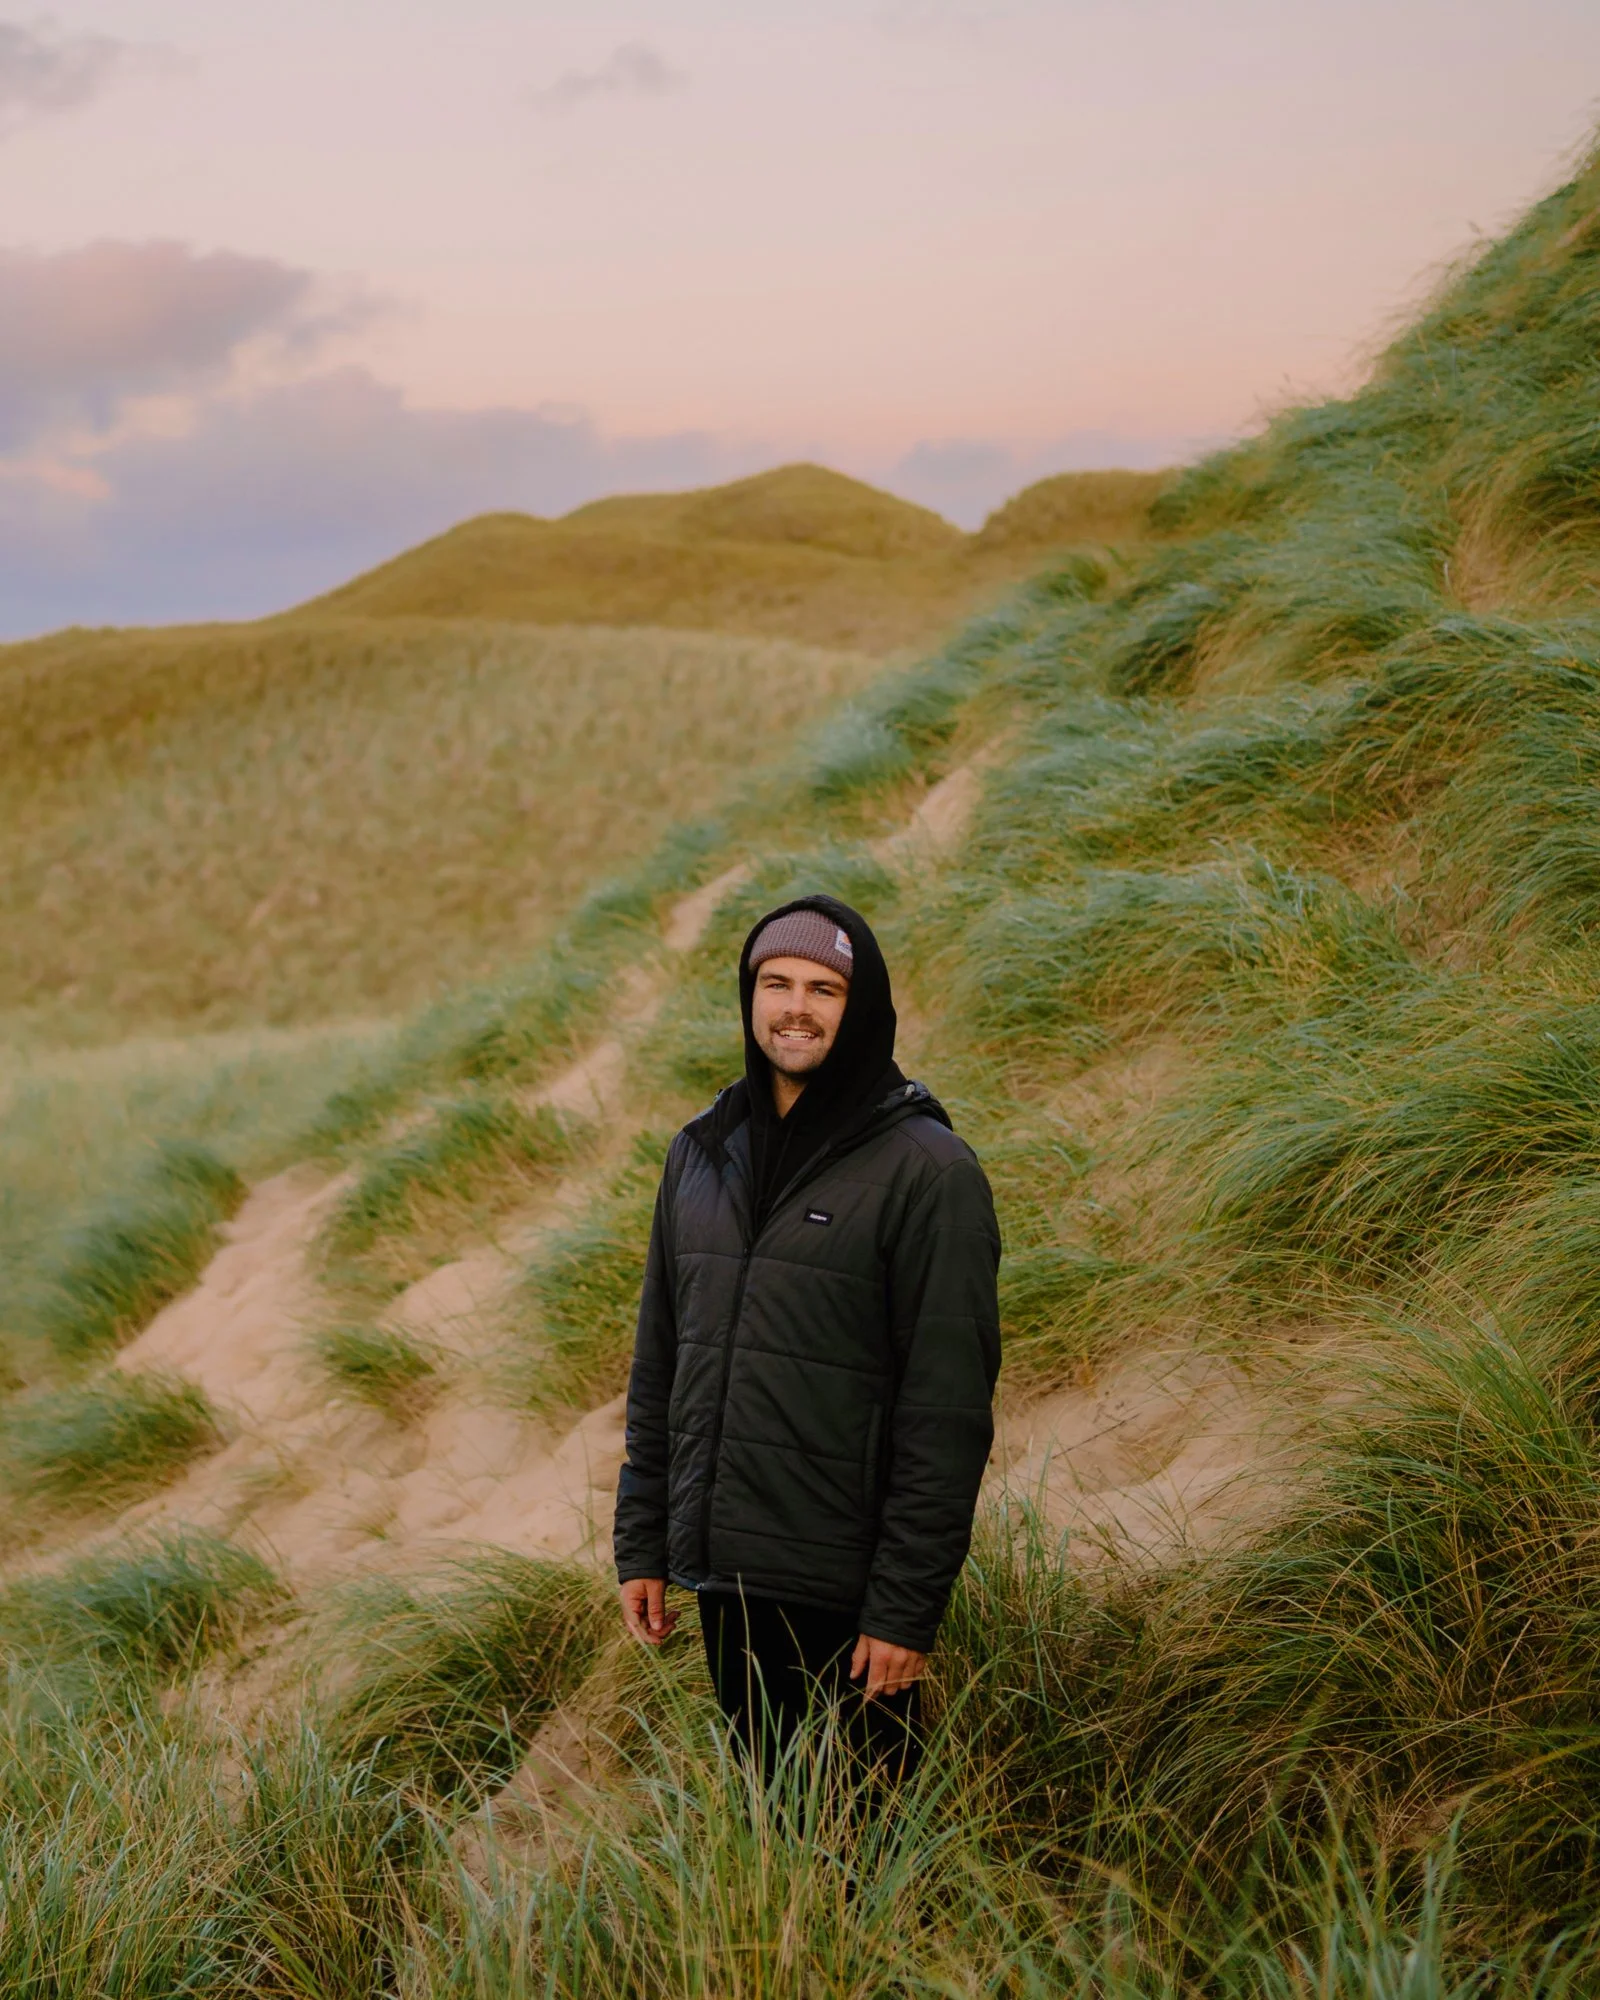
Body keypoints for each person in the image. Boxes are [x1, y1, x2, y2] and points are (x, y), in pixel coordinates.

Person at [613, 892, 1001, 1788]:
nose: (796, 1008)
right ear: (749, 998)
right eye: (776, 983)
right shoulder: (701, 1152)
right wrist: (644, 1542)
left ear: (859, 1009)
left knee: (866, 1832)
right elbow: (663, 1358)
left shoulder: (930, 1172)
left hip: (850, 1593)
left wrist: (904, 1609)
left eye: (824, 989)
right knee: (774, 1823)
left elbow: (946, 1411)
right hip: (726, 1575)